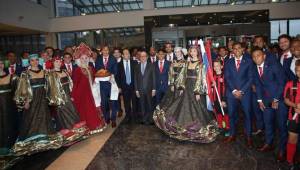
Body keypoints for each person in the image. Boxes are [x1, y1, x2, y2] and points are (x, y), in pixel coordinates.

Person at [153, 46, 218, 143]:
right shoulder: (186, 63)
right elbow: (182, 76)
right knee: (181, 107)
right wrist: (181, 87)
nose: (192, 53)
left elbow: (200, 78)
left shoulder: (201, 64)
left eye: (194, 51)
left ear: (197, 52)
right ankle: (183, 127)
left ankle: (197, 129)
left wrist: (197, 91)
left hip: (195, 88)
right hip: (186, 87)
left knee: (197, 108)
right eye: (191, 51)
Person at [14, 54, 59, 155]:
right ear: (29, 62)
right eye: (32, 60)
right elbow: (23, 88)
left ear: (39, 61)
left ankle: (44, 139)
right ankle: (32, 140)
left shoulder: (44, 72)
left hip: (42, 99)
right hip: (32, 100)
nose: (35, 62)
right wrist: (26, 101)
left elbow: (49, 85)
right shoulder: (25, 74)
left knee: (44, 117)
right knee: (31, 118)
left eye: (36, 60)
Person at [252, 47, 287, 161]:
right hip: (266, 101)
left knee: (281, 126)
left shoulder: (274, 66)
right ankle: (269, 143)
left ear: (264, 56)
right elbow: (257, 85)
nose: (256, 58)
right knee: (268, 124)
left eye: (259, 55)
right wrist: (260, 100)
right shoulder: (254, 69)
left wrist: (276, 99)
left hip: (279, 101)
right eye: (254, 56)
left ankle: (282, 149)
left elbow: (282, 83)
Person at [224, 42, 253, 148]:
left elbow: (250, 78)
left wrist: (241, 91)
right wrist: (234, 91)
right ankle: (232, 134)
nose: (236, 50)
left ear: (243, 49)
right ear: (232, 50)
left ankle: (248, 136)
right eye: (234, 49)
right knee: (231, 115)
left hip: (245, 93)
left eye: (238, 48)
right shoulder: (228, 62)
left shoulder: (249, 61)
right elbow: (227, 77)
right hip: (231, 93)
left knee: (247, 115)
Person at [71, 43, 105, 132]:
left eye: (86, 58)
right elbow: (75, 83)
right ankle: (88, 126)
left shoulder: (91, 68)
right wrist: (73, 95)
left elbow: (94, 78)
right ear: (79, 59)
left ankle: (95, 124)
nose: (84, 60)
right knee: (86, 110)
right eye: (82, 58)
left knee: (93, 108)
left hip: (91, 91)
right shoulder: (77, 70)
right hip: (81, 93)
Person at [47, 56, 85, 132]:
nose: (58, 63)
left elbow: (70, 84)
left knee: (73, 111)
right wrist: (58, 99)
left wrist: (71, 95)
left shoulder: (64, 71)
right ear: (53, 63)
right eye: (56, 62)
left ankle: (76, 132)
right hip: (60, 98)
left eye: (59, 61)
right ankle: (68, 133)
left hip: (68, 96)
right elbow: (52, 88)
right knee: (64, 114)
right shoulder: (51, 74)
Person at [284, 40, 300, 168]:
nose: (299, 72)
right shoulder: (291, 84)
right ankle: (290, 161)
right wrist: (295, 106)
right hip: (293, 116)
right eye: (298, 70)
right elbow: (286, 100)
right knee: (292, 139)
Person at [95, 46, 119, 128]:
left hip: (111, 82)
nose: (105, 51)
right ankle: (107, 118)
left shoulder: (113, 59)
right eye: (103, 50)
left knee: (113, 102)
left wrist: (110, 74)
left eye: (107, 50)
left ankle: (113, 119)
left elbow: (115, 70)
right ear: (101, 51)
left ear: (109, 51)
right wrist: (101, 72)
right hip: (102, 84)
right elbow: (97, 70)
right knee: (104, 103)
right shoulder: (98, 59)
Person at [0, 56, 18, 155]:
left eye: (2, 63)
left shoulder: (12, 77)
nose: (0, 65)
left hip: (9, 106)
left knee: (9, 124)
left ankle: (10, 145)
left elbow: (16, 92)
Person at [134, 50, 156, 125]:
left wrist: (154, 89)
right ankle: (144, 118)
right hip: (140, 89)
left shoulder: (151, 65)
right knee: (142, 104)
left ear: (147, 57)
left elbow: (154, 78)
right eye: (141, 56)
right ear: (139, 58)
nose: (142, 57)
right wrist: (136, 90)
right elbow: (135, 79)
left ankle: (150, 119)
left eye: (144, 56)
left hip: (149, 89)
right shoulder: (137, 66)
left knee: (150, 104)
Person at [116, 48, 137, 123]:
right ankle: (128, 116)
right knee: (126, 103)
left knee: (135, 102)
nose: (127, 55)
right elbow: (117, 77)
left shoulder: (134, 63)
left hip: (134, 86)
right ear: (122, 55)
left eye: (128, 53)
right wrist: (119, 87)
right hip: (124, 87)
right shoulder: (119, 65)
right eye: (125, 53)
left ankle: (135, 116)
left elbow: (137, 75)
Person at [212, 59, 230, 135]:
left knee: (225, 113)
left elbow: (228, 88)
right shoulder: (213, 76)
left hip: (223, 99)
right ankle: (221, 126)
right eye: (214, 66)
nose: (216, 67)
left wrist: (224, 100)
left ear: (222, 66)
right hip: (216, 98)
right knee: (218, 113)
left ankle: (227, 128)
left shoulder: (225, 76)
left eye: (217, 66)